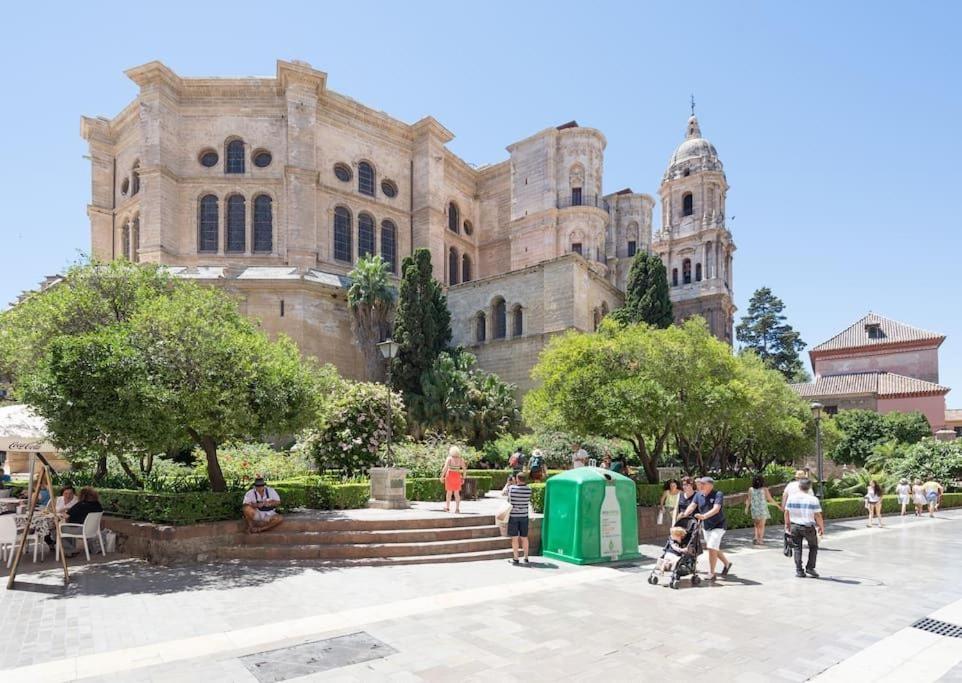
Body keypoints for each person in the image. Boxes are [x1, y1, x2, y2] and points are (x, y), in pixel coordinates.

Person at [683, 477, 731, 581]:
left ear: (710, 485)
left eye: (703, 484)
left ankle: (712, 573)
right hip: (707, 526)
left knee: (711, 547)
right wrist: (684, 515)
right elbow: (692, 506)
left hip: (718, 526)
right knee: (713, 547)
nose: (700, 486)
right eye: (700, 484)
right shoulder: (698, 495)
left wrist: (704, 516)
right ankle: (727, 563)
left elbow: (716, 509)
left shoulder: (718, 494)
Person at [784, 478, 824, 578]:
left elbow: (786, 512)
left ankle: (799, 570)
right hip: (808, 527)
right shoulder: (813, 499)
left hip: (794, 526)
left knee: (797, 548)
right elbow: (818, 515)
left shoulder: (791, 498)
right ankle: (810, 568)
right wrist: (821, 527)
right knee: (813, 546)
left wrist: (787, 525)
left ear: (799, 486)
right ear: (809, 487)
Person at [61, 487, 104, 557]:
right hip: (93, 529)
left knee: (60, 529)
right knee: (67, 527)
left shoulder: (80, 505)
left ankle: (71, 550)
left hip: (80, 529)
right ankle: (72, 548)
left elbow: (66, 515)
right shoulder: (98, 504)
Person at [745, 475, 780, 545]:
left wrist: (746, 508)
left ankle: (756, 537)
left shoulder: (750, 489)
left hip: (754, 509)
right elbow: (770, 499)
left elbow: (748, 500)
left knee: (757, 525)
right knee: (762, 525)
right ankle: (760, 540)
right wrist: (778, 506)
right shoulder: (764, 489)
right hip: (762, 509)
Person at [506, 472, 532, 565]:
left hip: (513, 516)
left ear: (517, 478)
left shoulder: (512, 488)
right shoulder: (529, 489)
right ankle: (526, 557)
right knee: (524, 537)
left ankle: (516, 558)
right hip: (524, 516)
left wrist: (509, 483)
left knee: (515, 538)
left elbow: (506, 497)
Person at [441, 445, 468, 513]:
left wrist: (442, 476)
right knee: (457, 493)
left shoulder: (449, 458)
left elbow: (445, 468)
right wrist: (464, 478)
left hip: (449, 475)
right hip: (457, 475)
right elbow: (464, 469)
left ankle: (447, 507)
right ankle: (457, 508)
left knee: (449, 492)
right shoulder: (461, 459)